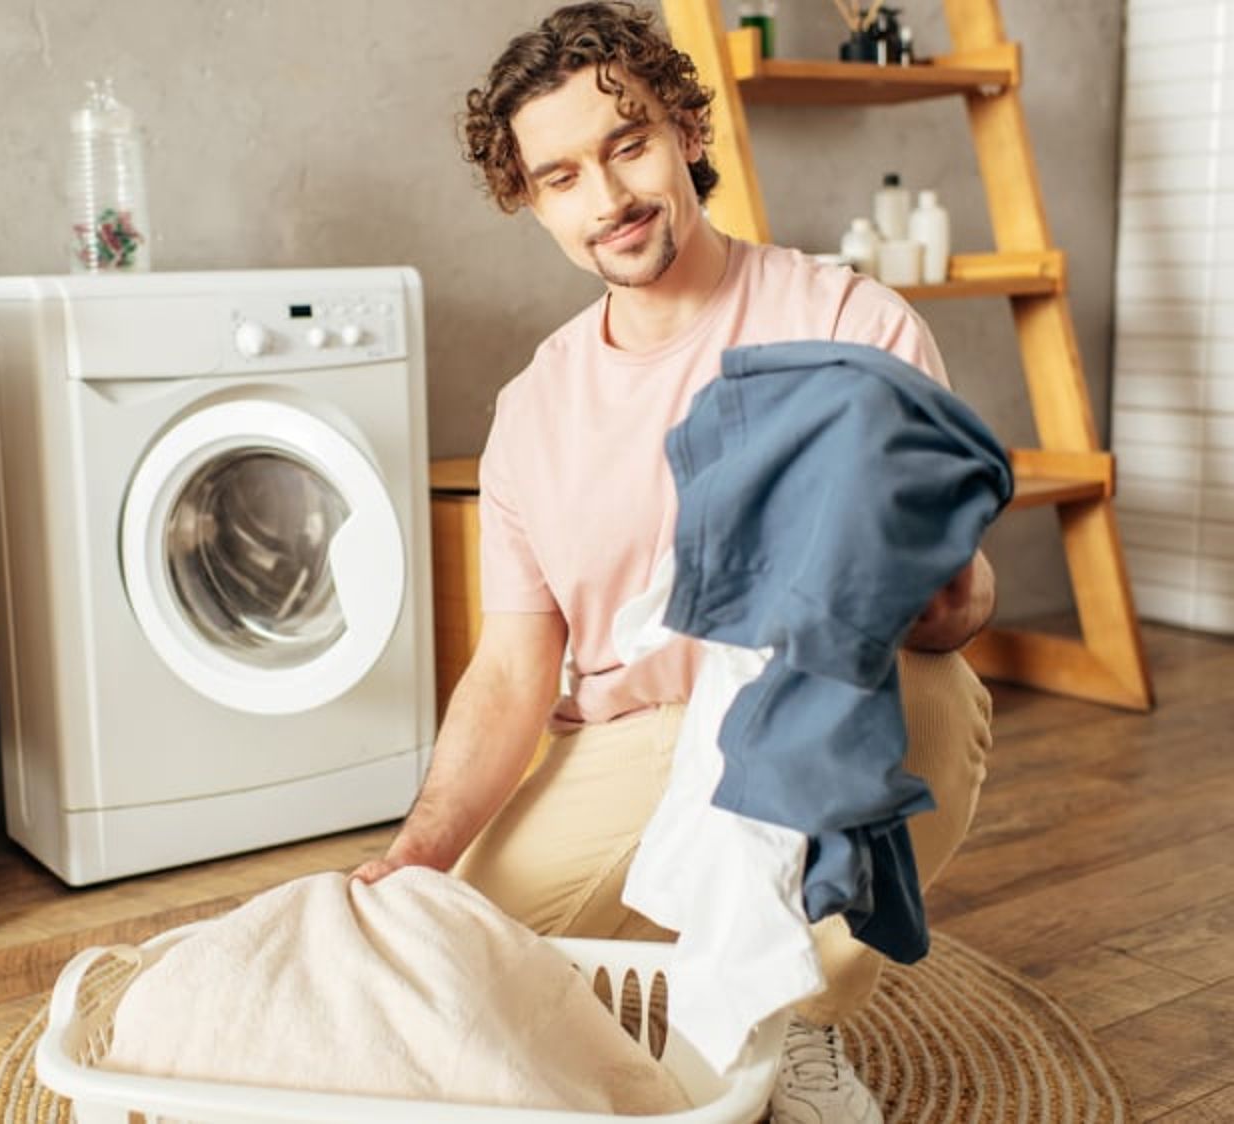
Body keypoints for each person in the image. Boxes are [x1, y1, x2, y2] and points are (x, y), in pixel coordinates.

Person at [353, 4, 995, 1121]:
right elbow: (513, 669)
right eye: (560, 178)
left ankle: (787, 1024)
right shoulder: (533, 410)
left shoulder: (846, 322)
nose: (607, 200)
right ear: (531, 200)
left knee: (930, 691)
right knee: (446, 945)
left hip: (804, 719)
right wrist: (416, 850)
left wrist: (947, 591)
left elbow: (950, 592)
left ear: (690, 129)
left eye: (629, 143)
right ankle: (666, 946)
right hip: (620, 751)